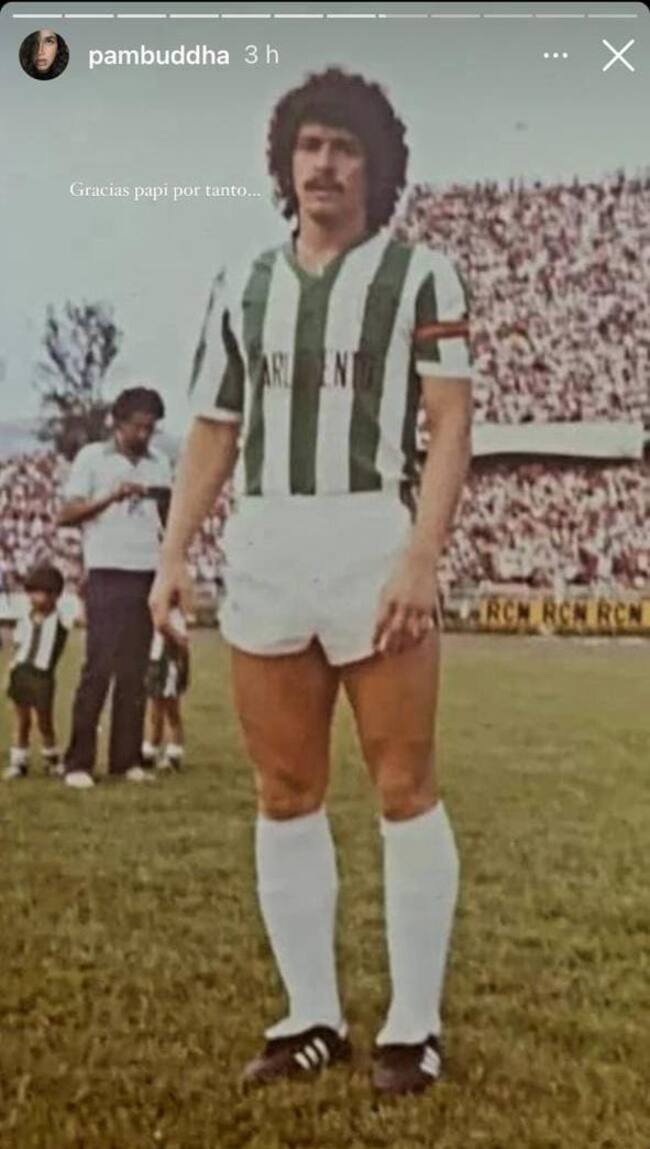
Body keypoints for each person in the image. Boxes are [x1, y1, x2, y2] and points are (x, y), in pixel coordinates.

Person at [150, 68, 472, 1095]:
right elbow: (213, 427)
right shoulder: (243, 283)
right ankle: (310, 1018)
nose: (324, 165)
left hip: (372, 535)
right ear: (284, 162)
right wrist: (172, 553)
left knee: (402, 784)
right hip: (268, 545)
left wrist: (420, 554)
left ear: (377, 167)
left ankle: (412, 1026)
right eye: (309, 146)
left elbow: (449, 423)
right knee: (284, 790)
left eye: (344, 147)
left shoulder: (420, 276)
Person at [58, 387, 171, 788]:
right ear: (118, 424)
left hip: (147, 571)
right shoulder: (92, 458)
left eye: (151, 428)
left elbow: (168, 514)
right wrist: (111, 496)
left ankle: (126, 759)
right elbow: (67, 513)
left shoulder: (159, 462)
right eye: (138, 426)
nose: (144, 435)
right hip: (107, 571)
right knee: (98, 668)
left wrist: (158, 499)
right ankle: (78, 762)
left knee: (134, 671)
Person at [4, 563, 69, 781]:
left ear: (54, 595)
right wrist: (12, 669)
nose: (34, 598)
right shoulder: (25, 616)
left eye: (40, 593)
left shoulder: (60, 619)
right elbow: (18, 644)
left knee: (44, 721)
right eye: (32, 592)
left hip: (42, 676)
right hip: (21, 672)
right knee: (21, 719)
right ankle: (18, 762)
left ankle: (52, 760)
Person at [141, 606, 189, 771]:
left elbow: (177, 637)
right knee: (156, 709)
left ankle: (172, 751)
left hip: (168, 660)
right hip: (156, 659)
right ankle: (153, 747)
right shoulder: (159, 610)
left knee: (169, 708)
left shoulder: (173, 614)